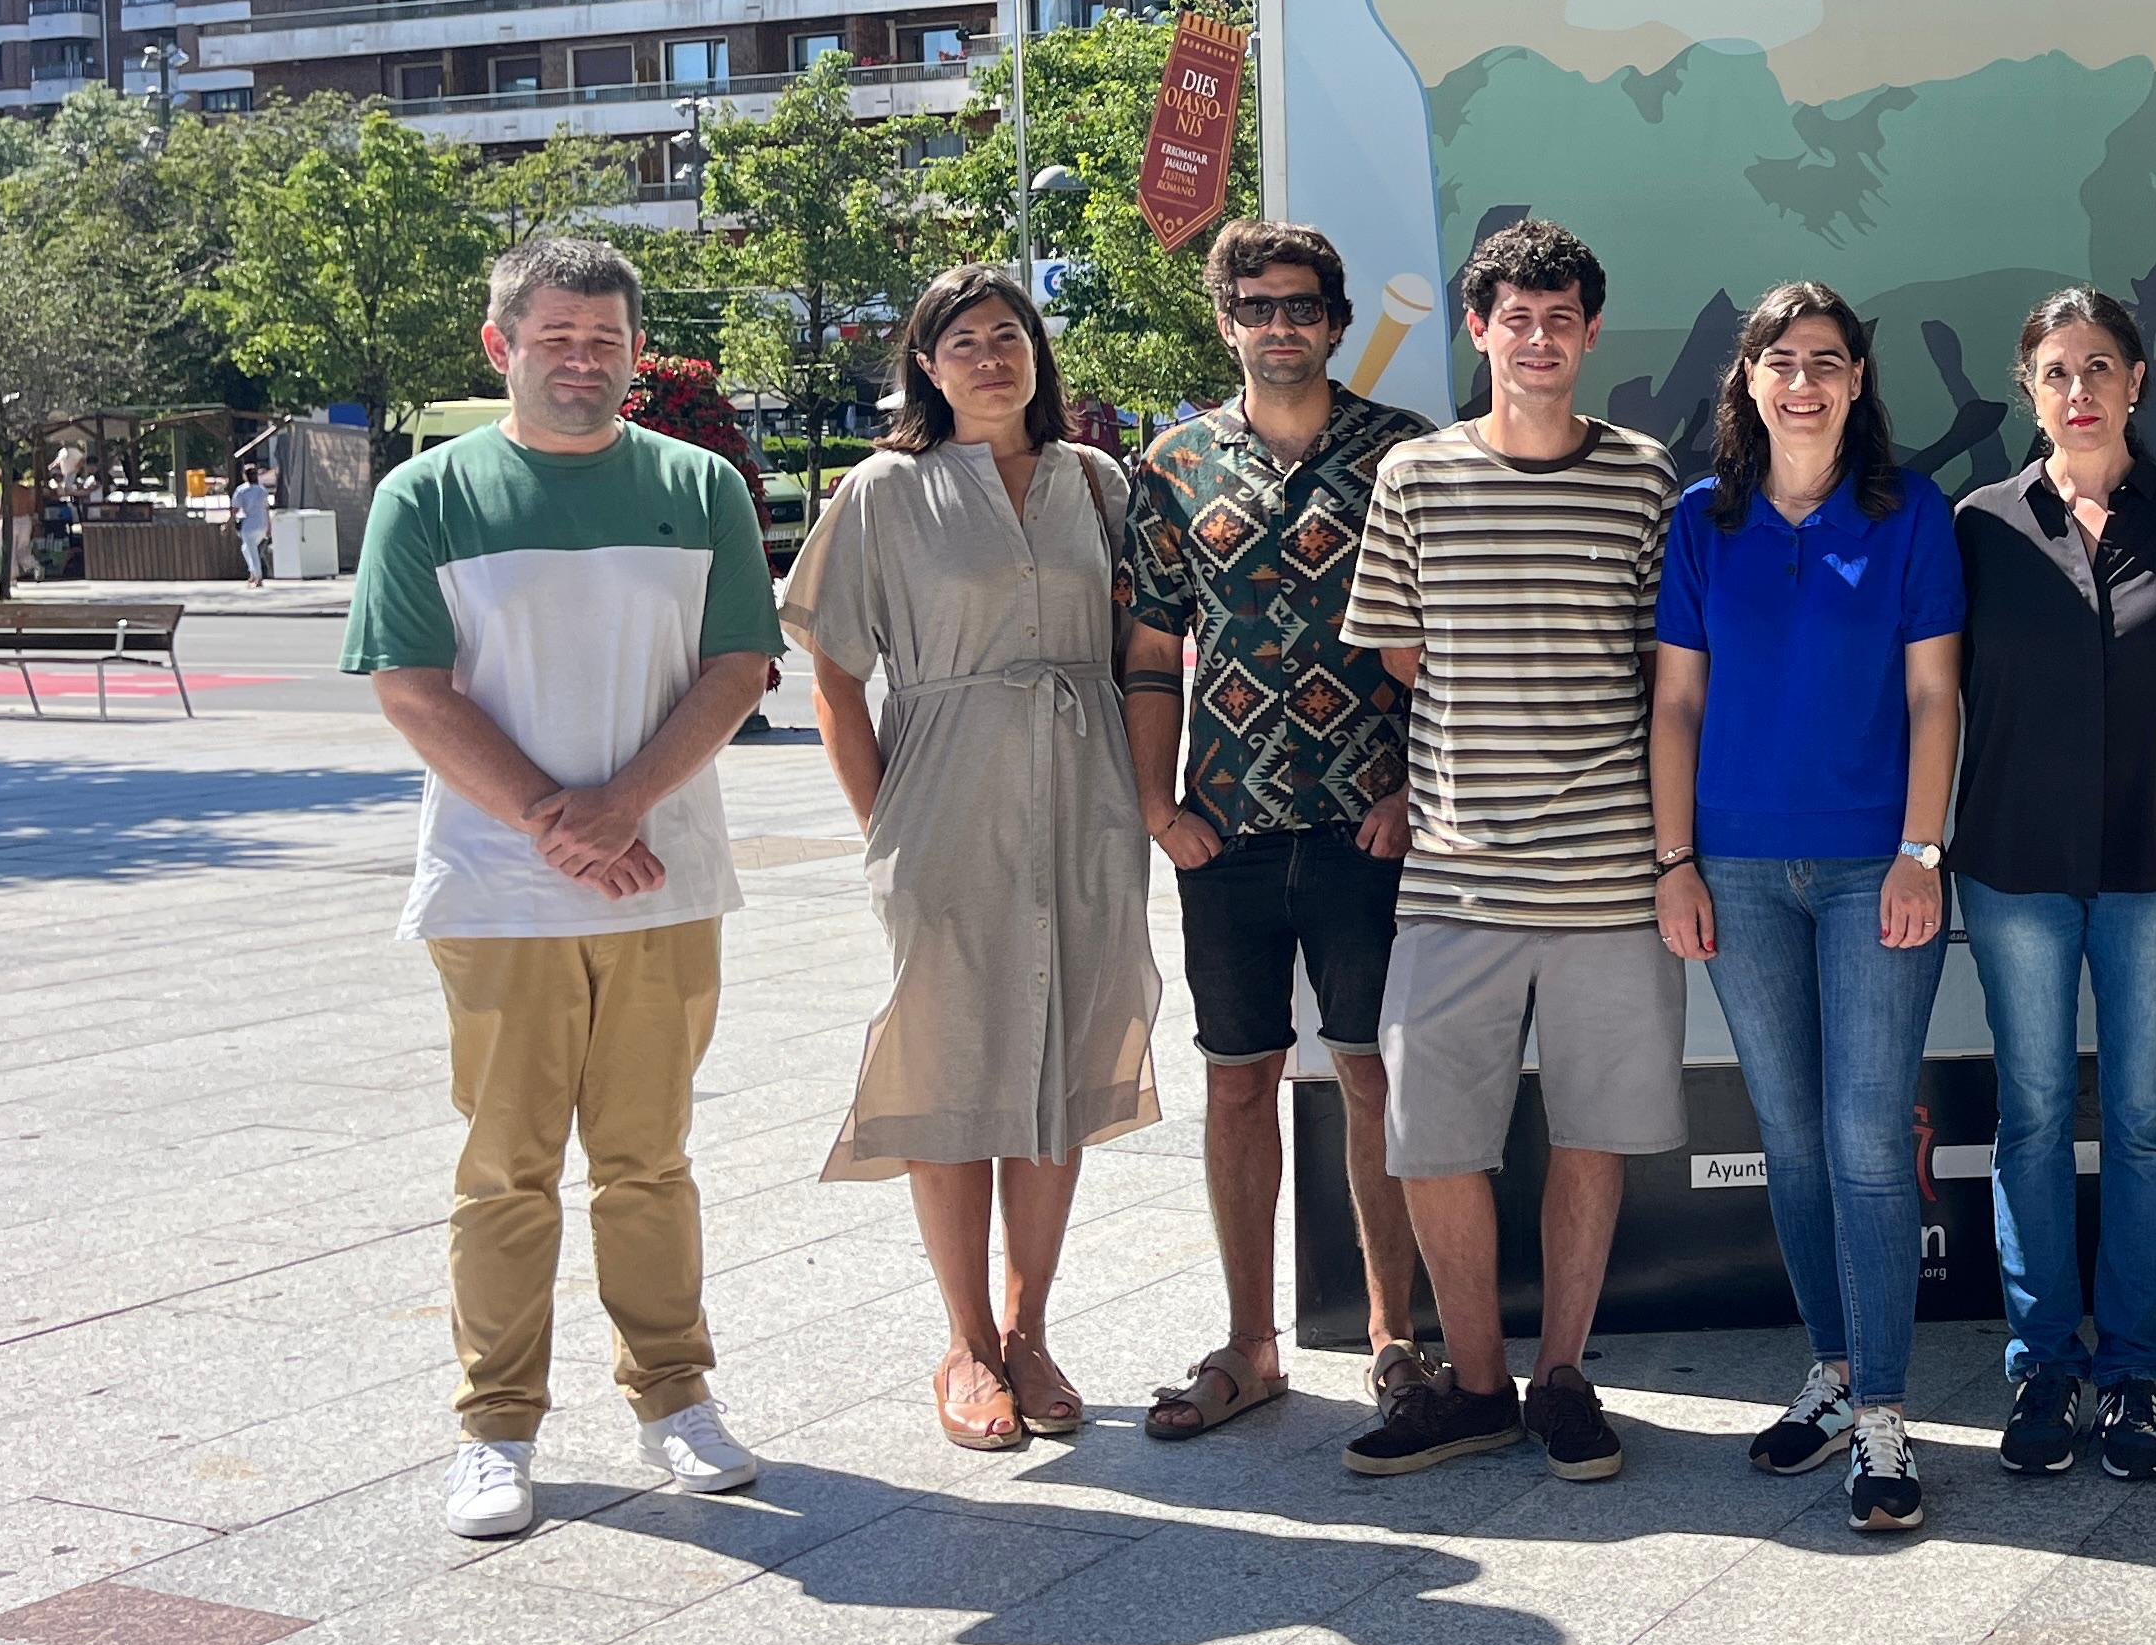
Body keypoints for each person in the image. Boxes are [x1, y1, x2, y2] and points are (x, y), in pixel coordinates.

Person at [342, 235, 783, 1540]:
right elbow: (412, 691)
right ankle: (497, 1428)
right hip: (500, 895)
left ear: (634, 355)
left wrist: (620, 807)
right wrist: (554, 819)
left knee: (651, 1163)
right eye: (556, 338)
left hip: (663, 885)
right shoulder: (428, 498)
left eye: (605, 341)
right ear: (503, 347)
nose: (581, 360)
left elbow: (738, 668)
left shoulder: (700, 487)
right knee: (505, 1171)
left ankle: (674, 1398)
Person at [782, 266, 1161, 1452]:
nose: (991, 356)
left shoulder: (1099, 484)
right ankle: (962, 1342)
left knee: (1057, 1054)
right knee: (948, 1057)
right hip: (943, 794)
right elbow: (835, 673)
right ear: (927, 366)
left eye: (1010, 336)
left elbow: (1140, 645)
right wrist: (879, 822)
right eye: (964, 341)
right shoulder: (884, 492)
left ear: (1037, 356)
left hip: (1084, 794)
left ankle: (1029, 1328)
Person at [1336, 218, 1682, 1481]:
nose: (1537, 340)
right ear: (1477, 330)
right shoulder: (1415, 478)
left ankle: (1564, 1379)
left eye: (1560, 318)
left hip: (1608, 876)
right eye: (1513, 318)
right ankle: (1476, 1384)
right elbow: (1399, 652)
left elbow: (1661, 672)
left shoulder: (1645, 476)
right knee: (1433, 1140)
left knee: (1591, 1132)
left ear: (1591, 333)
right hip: (1456, 873)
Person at [1652, 283, 1964, 1536]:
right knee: (1788, 1131)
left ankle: (1886, 1421)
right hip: (1735, 869)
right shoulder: (1700, 521)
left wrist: (1921, 851)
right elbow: (1675, 706)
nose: (1803, 382)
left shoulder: (1909, 515)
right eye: (1781, 361)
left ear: (1857, 382)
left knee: (1869, 1140)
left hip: (1871, 869)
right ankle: (1831, 1375)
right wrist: (1674, 861)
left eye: (1827, 362)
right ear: (1748, 380)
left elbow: (1937, 699)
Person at [1121, 220, 1435, 1439]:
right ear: (1225, 320)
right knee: (1239, 1083)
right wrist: (1159, 808)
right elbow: (1148, 651)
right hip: (1229, 828)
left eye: (1302, 305)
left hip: (1372, 824)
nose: (1280, 324)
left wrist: (1415, 792)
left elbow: (1443, 650)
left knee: (1371, 1078)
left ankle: (1396, 1341)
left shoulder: (1401, 457)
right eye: (1255, 305)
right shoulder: (1173, 466)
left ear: (1337, 319)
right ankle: (1252, 1344)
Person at [1950, 286, 2156, 1484]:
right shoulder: (1978, 526)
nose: (2080, 391)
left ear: (2137, 383)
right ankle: (2041, 1368)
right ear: (2030, 387)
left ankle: (2131, 1376)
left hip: (2155, 863)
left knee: (2146, 1124)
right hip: (2014, 864)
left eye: (2100, 368)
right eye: (2058, 371)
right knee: (2029, 1119)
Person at [232, 464, 275, 585]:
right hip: (262, 524)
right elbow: (267, 509)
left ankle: (258, 577)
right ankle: (252, 572)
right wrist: (269, 527)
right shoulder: (262, 490)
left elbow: (235, 509)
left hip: (249, 525)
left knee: (252, 551)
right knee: (245, 548)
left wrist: (229, 522)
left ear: (245, 476)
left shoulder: (241, 490)